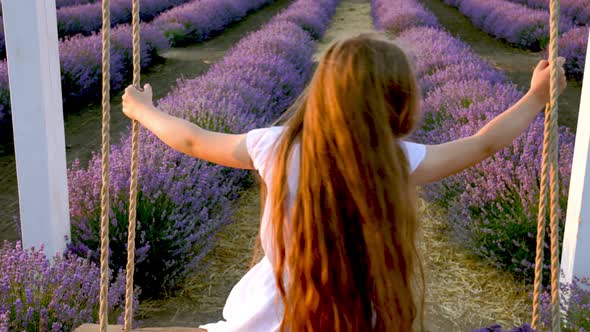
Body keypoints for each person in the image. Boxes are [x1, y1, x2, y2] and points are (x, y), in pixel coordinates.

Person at [121, 34, 567, 332]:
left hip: (264, 319)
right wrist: (535, 98)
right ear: (399, 101)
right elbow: (482, 145)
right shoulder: (394, 159)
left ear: (323, 92)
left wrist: (142, 109)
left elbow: (192, 139)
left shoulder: (274, 146)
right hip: (357, 317)